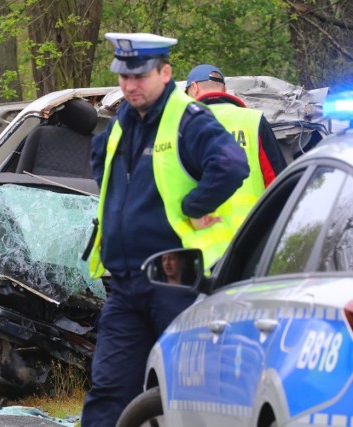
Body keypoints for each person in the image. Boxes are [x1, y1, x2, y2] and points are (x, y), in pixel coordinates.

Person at [83, 33, 250, 426]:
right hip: (125, 283)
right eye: (124, 77)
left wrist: (193, 207)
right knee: (108, 392)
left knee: (181, 396)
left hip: (175, 283)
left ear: (166, 72)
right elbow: (99, 158)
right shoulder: (125, 118)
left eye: (140, 76)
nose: (129, 85)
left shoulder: (187, 119)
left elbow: (231, 165)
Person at [185, 64, 287, 233]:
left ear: (194, 88)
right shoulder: (254, 121)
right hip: (253, 236)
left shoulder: (182, 126)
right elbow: (277, 183)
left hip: (204, 242)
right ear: (224, 89)